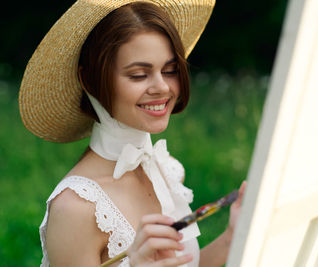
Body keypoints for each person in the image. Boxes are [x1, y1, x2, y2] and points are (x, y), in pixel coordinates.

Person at [19, 0, 246, 266]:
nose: (162, 87)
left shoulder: (167, 170)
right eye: (139, 74)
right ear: (89, 79)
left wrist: (233, 236)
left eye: (170, 70)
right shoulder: (75, 207)